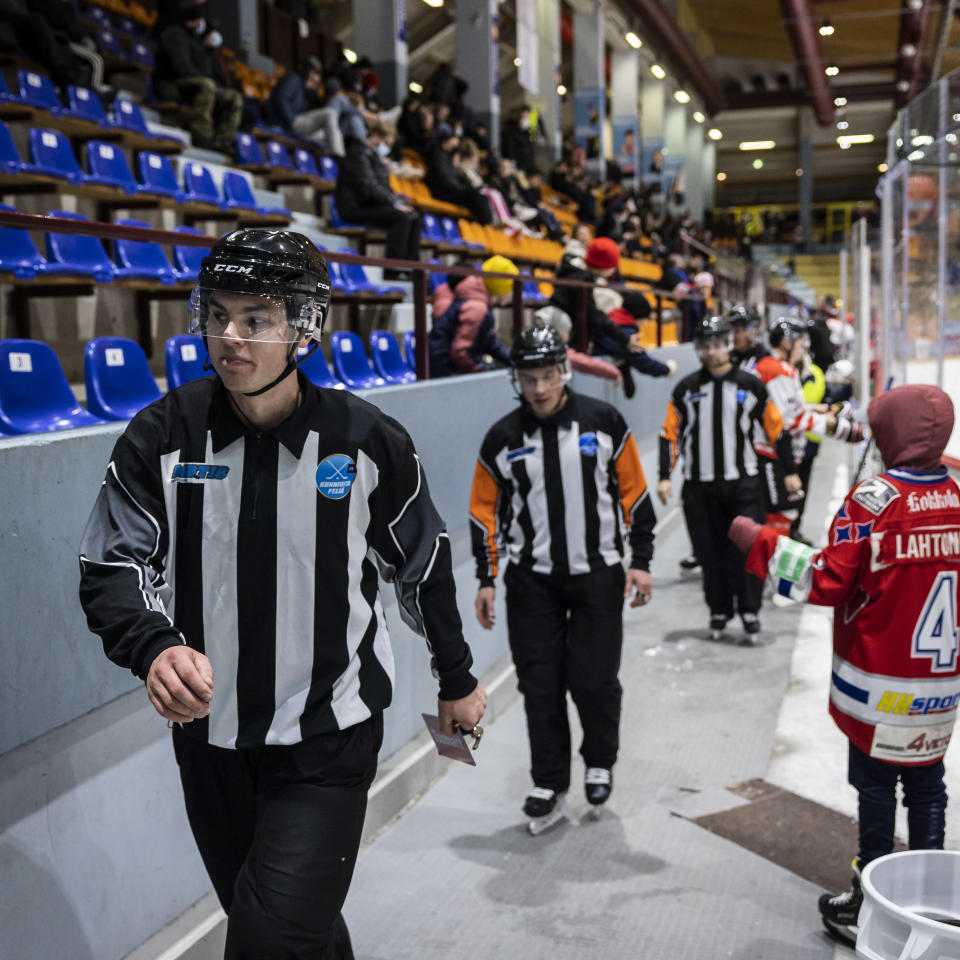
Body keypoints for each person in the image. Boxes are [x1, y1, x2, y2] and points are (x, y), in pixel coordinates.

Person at [78, 228, 486, 959]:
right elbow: (112, 567)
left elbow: (421, 566)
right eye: (217, 314)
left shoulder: (369, 443)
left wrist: (456, 675)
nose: (230, 337)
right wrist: (154, 646)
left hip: (327, 740)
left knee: (267, 940)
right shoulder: (160, 437)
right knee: (287, 925)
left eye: (257, 319)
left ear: (304, 328)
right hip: (210, 744)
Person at [729, 384, 960, 947]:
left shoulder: (874, 500)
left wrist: (757, 543)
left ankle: (872, 901)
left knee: (877, 788)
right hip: (942, 686)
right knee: (929, 788)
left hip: (878, 686)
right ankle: (931, 905)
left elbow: (827, 580)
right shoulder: (958, 491)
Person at [469, 324, 655, 832]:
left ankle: (599, 760)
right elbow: (483, 513)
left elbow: (634, 494)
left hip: (598, 575)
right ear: (517, 380)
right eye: (528, 378)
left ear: (564, 371)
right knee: (540, 684)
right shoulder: (503, 437)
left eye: (547, 376)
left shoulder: (604, 421)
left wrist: (640, 559)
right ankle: (548, 781)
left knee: (594, 681)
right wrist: (486, 577)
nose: (539, 388)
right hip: (532, 582)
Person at [657, 315, 794, 641]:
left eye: (719, 345)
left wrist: (790, 472)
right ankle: (719, 610)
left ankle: (749, 611)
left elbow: (776, 428)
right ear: (699, 348)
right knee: (709, 553)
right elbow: (669, 434)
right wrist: (665, 476)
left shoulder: (750, 385)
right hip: (699, 488)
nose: (713, 352)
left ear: (729, 345)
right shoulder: (686, 389)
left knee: (747, 549)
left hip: (744, 484)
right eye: (707, 346)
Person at [549, 236, 676, 398]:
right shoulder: (580, 282)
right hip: (570, 342)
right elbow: (593, 315)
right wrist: (625, 340)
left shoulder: (575, 275)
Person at [335, 121, 421, 275]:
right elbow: (368, 188)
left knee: (413, 216)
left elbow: (384, 189)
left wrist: (398, 203)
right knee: (401, 217)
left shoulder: (374, 157)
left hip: (369, 204)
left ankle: (410, 269)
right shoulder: (358, 153)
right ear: (375, 135)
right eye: (386, 143)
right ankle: (393, 270)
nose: (386, 148)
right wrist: (394, 204)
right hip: (354, 207)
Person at [154, 3, 242, 153]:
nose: (202, 23)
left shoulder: (195, 39)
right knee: (207, 86)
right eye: (200, 19)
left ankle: (224, 141)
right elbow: (183, 68)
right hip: (169, 84)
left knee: (234, 97)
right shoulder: (174, 34)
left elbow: (204, 71)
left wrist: (206, 50)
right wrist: (209, 84)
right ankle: (201, 135)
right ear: (192, 20)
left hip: (192, 84)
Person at [428, 256, 515, 377]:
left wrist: (512, 359)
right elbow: (461, 352)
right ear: (500, 286)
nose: (512, 294)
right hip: (443, 371)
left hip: (446, 366)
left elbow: (488, 339)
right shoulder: (477, 307)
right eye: (511, 287)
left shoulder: (478, 300)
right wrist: (484, 369)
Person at [729, 305, 769, 372]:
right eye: (731, 331)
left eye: (737, 331)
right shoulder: (729, 357)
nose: (733, 336)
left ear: (752, 331)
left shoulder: (763, 357)